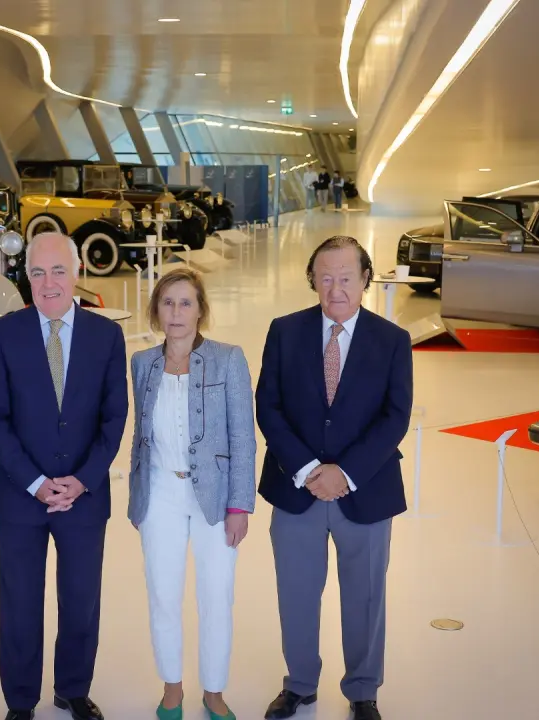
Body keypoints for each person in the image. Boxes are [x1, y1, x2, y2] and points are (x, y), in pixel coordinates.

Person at [255, 236, 413, 720]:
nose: (335, 288)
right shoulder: (285, 331)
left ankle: (363, 690)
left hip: (365, 490)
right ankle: (300, 684)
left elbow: (395, 416)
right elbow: (269, 406)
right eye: (325, 278)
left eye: (346, 277)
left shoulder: (392, 340)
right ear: (312, 280)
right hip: (296, 488)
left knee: (365, 597)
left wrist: (345, 472)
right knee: (296, 593)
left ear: (365, 279)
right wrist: (308, 470)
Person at [0, 232, 128, 720]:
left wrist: (82, 480)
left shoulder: (106, 336)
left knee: (81, 600)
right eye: (38, 272)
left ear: (77, 271)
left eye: (58, 271)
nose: (48, 283)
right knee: (20, 603)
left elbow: (114, 417)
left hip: (84, 497)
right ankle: (20, 700)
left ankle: (73, 689)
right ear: (26, 276)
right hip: (20, 497)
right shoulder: (3, 334)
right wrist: (34, 482)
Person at [127, 268, 256, 720]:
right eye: (167, 302)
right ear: (155, 311)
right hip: (159, 492)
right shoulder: (142, 363)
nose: (176, 312)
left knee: (216, 597)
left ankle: (214, 690)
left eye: (186, 303)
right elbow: (141, 434)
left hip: (215, 498)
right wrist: (137, 499)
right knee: (163, 594)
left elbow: (243, 438)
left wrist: (240, 504)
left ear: (201, 310)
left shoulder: (228, 359)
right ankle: (172, 688)